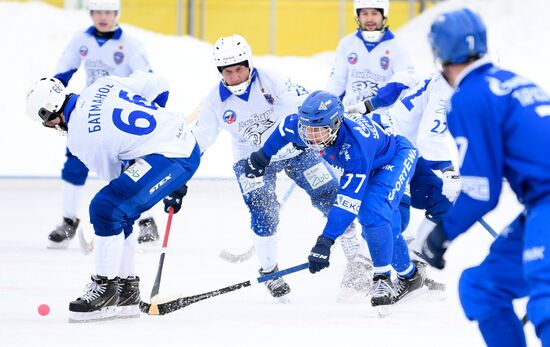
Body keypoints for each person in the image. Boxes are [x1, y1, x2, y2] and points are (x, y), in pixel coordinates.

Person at [420, 8, 550, 347]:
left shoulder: (469, 97)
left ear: (439, 53)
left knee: (546, 302)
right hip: (539, 208)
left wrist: (441, 234)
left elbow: (481, 192)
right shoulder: (513, 81)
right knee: (482, 286)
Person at [191, 34, 356, 300]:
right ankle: (270, 271)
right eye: (228, 71)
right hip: (250, 158)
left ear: (249, 63)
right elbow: (201, 140)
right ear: (220, 72)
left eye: (240, 69)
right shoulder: (214, 101)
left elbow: (300, 105)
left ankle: (357, 259)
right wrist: (180, 175)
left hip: (292, 148)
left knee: (329, 193)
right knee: (262, 206)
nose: (235, 76)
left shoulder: (272, 80)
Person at [25, 71, 200, 322]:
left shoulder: (79, 138)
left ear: (50, 115)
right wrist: (156, 133)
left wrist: (162, 168)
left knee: (105, 208)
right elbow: (159, 84)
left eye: (47, 123)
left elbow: (115, 176)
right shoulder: (102, 85)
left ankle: (106, 289)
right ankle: (126, 291)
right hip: (181, 142)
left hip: (172, 157)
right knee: (119, 210)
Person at [244, 90, 425, 315]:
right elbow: (283, 130)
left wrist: (325, 241)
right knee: (381, 229)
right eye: (307, 128)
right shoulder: (306, 127)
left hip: (394, 157)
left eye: (317, 131)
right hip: (371, 160)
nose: (311, 137)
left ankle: (382, 278)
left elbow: (348, 203)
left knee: (371, 214)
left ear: (337, 124)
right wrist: (261, 157)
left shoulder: (356, 148)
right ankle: (411, 276)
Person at [49, 0, 158, 249]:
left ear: (116, 14)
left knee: (134, 167)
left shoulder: (130, 45)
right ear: (91, 13)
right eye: (97, 11)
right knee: (75, 162)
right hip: (91, 114)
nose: (102, 17)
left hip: (121, 115)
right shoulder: (81, 40)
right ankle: (68, 221)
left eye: (108, 12)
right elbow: (62, 73)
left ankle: (147, 220)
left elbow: (147, 79)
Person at [325, 0, 417, 290]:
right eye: (364, 13)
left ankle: (394, 253)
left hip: (385, 128)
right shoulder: (346, 44)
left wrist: (371, 104)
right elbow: (336, 83)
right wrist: (329, 111)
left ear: (383, 16)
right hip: (349, 129)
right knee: (356, 195)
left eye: (374, 14)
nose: (368, 19)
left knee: (386, 207)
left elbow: (402, 83)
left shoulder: (397, 48)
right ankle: (365, 262)